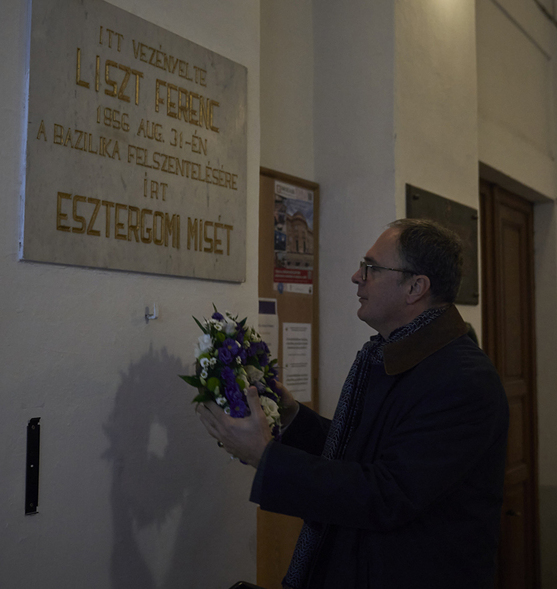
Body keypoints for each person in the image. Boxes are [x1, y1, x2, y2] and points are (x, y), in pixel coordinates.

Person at [197, 219, 509, 589]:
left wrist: (265, 457)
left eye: (371, 268)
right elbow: (370, 452)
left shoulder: (462, 380)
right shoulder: (393, 353)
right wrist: (294, 418)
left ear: (415, 287)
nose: (355, 277)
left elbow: (386, 493)